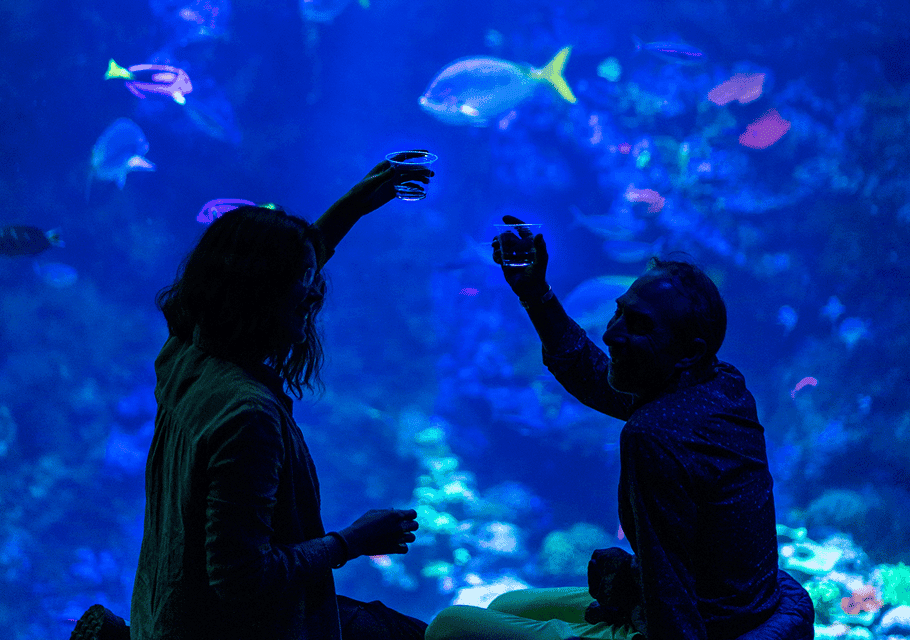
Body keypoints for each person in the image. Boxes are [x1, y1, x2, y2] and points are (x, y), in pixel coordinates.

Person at [71, 158, 433, 640]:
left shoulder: (184, 356)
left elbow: (260, 272)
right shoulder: (247, 414)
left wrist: (352, 208)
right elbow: (242, 577)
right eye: (303, 282)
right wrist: (353, 540)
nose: (314, 295)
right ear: (262, 297)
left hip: (171, 618)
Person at [425, 215, 814, 640]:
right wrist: (536, 292)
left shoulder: (653, 435)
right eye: (619, 314)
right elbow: (596, 377)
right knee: (506, 604)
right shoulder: (720, 384)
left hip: (701, 627)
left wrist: (634, 601)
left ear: (688, 352)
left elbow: (669, 588)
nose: (611, 334)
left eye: (639, 326)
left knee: (449, 627)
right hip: (739, 604)